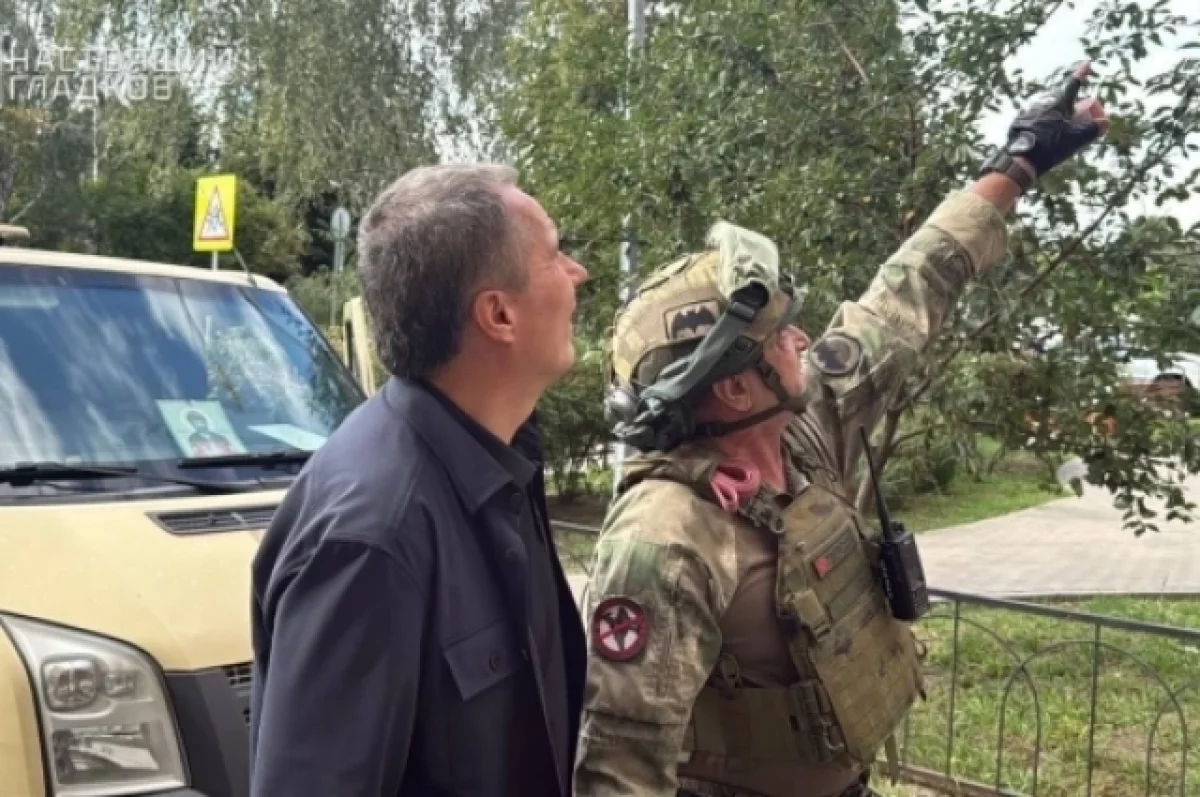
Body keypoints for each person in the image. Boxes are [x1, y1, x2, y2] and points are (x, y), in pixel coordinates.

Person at [572, 64, 1109, 797]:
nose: (802, 341)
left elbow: (904, 292)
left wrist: (1017, 164)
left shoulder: (802, 431)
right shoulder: (664, 538)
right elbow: (620, 766)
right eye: (779, 336)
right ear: (734, 387)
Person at [248, 163, 590, 797]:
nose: (578, 274)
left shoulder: (500, 456)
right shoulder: (373, 536)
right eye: (554, 255)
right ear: (498, 314)